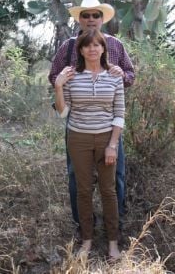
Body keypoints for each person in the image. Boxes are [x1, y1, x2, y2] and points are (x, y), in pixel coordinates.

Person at [48, 0, 135, 240]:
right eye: (85, 15)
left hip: (109, 125)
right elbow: (54, 76)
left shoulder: (115, 45)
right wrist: (62, 83)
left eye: (95, 15)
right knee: (77, 177)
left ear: (102, 18)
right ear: (80, 19)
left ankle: (115, 226)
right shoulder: (68, 47)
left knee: (115, 177)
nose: (90, 19)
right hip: (78, 125)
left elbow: (130, 75)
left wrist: (120, 75)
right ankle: (82, 225)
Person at [54, 29, 125, 259]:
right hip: (78, 138)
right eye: (87, 45)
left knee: (109, 190)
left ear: (104, 48)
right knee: (83, 191)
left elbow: (119, 113)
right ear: (81, 50)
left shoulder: (115, 76)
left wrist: (113, 145)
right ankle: (86, 241)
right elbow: (63, 113)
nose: (92, 49)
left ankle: (113, 242)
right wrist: (58, 86)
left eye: (96, 45)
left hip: (106, 138)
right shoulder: (72, 76)